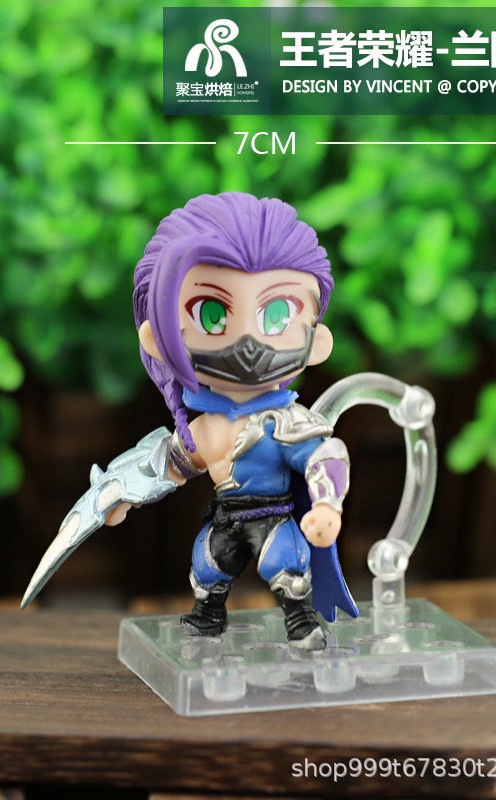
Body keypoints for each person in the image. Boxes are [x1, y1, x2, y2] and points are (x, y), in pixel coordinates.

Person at [121, 192, 353, 650]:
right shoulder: (204, 429)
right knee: (208, 564)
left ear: (316, 340)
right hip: (227, 518)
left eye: (277, 314)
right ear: (157, 337)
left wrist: (328, 506)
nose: (247, 343)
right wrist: (124, 494)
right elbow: (171, 465)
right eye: (211, 314)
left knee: (285, 563)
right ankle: (208, 616)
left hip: (273, 516)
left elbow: (325, 455)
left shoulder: (284, 422)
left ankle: (300, 621)